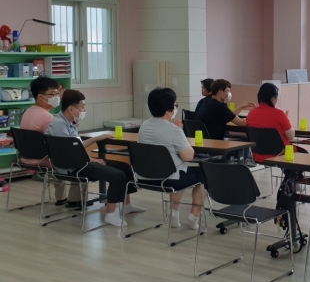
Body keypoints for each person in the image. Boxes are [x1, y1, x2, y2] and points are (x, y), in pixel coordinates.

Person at [45, 90, 144, 227]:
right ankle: (110, 214)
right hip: (72, 167)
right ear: (71, 109)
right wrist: (94, 160)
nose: (84, 110)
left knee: (125, 167)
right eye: (82, 107)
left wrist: (96, 138)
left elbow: (76, 146)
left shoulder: (68, 122)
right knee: (117, 175)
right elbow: (68, 154)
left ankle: (127, 205)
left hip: (79, 162)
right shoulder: (59, 125)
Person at [139, 88, 207, 230]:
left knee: (180, 169)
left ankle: (174, 214)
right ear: (169, 110)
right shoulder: (174, 130)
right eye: (175, 105)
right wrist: (181, 132)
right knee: (203, 174)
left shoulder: (143, 126)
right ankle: (194, 216)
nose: (176, 108)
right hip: (169, 178)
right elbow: (188, 157)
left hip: (145, 176)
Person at [20, 77, 80, 206]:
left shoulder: (28, 112)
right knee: (78, 160)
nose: (57, 97)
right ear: (40, 97)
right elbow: (62, 143)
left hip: (26, 157)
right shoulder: (48, 118)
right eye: (53, 94)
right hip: (42, 159)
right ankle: (75, 200)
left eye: (58, 94)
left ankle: (61, 197)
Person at [246, 82, 307, 162]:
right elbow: (291, 136)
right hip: (280, 154)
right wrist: (286, 119)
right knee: (304, 154)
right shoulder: (279, 114)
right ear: (272, 98)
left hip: (258, 154)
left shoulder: (251, 113)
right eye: (276, 97)